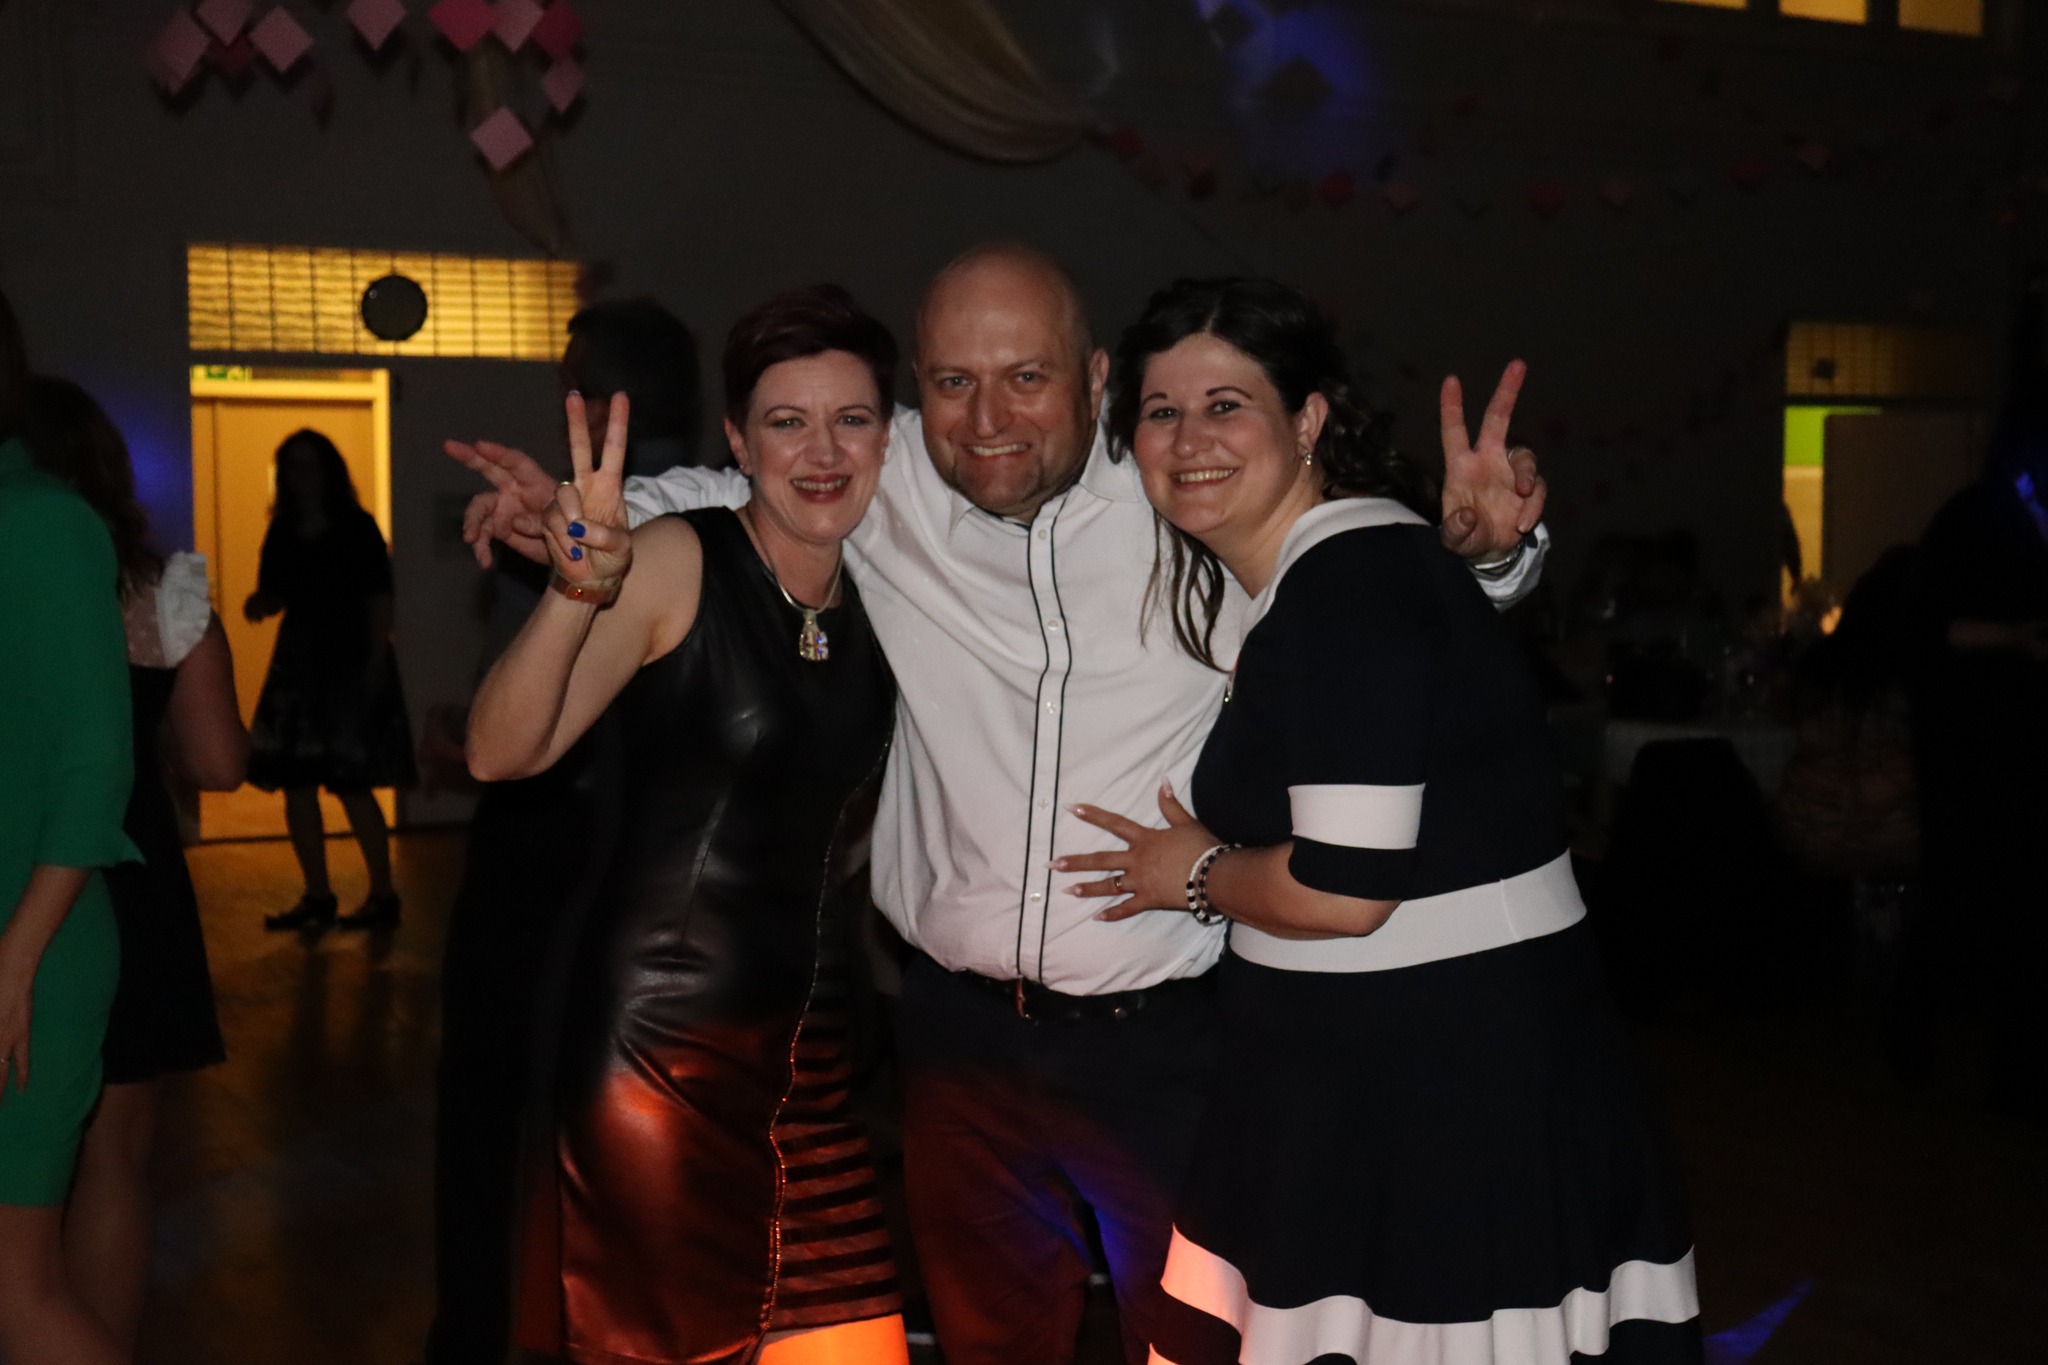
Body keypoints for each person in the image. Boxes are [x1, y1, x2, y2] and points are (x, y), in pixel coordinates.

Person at [451, 244, 1547, 1365]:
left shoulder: (1188, 497)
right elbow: (744, 486)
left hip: (1161, 1050)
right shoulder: (889, 486)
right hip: (951, 1050)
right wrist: (580, 517)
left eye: (1026, 377)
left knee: (1196, 1346)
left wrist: (1490, 564)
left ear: (1095, 378)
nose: (986, 420)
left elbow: (1357, 585)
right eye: (952, 382)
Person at [1056, 277, 1699, 1364]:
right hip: (1381, 1066)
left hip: (1436, 1083)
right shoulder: (1347, 569)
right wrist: (1492, 562)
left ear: (1308, 420)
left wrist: (1193, 874)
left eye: (1226, 405)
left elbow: (1345, 890)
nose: (1190, 437)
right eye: (1162, 411)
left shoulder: (1344, 583)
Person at [468, 285, 908, 1365]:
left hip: (811, 1059)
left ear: (885, 439)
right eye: (787, 422)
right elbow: (499, 751)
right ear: (739, 443)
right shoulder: (679, 559)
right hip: (660, 1057)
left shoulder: (887, 591)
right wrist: (574, 592)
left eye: (850, 419)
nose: (822, 452)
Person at [424, 296, 708, 1365]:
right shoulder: (732, 515)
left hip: (556, 852)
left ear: (592, 396)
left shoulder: (596, 520)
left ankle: (493, 1335)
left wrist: (459, 730)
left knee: (502, 1110)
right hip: (666, 878)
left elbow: (514, 725)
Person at [22, 376, 247, 1351]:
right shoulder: (165, 590)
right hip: (136, 869)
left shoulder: (21, 571)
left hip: (25, 859)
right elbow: (218, 762)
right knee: (116, 1152)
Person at [0, 291, 134, 1365]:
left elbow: (97, 764)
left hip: (26, 941)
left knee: (17, 1291)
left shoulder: (41, 521)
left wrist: (17, 960)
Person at [244, 429, 415, 932]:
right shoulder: (282, 530)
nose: (300, 475)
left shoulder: (357, 528)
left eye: (308, 464)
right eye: (292, 466)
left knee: (351, 783)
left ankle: (382, 894)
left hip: (348, 662)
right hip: (300, 664)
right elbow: (274, 591)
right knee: (297, 784)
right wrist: (262, 603)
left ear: (328, 471)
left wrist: (375, 663)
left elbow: (379, 597)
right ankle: (317, 895)